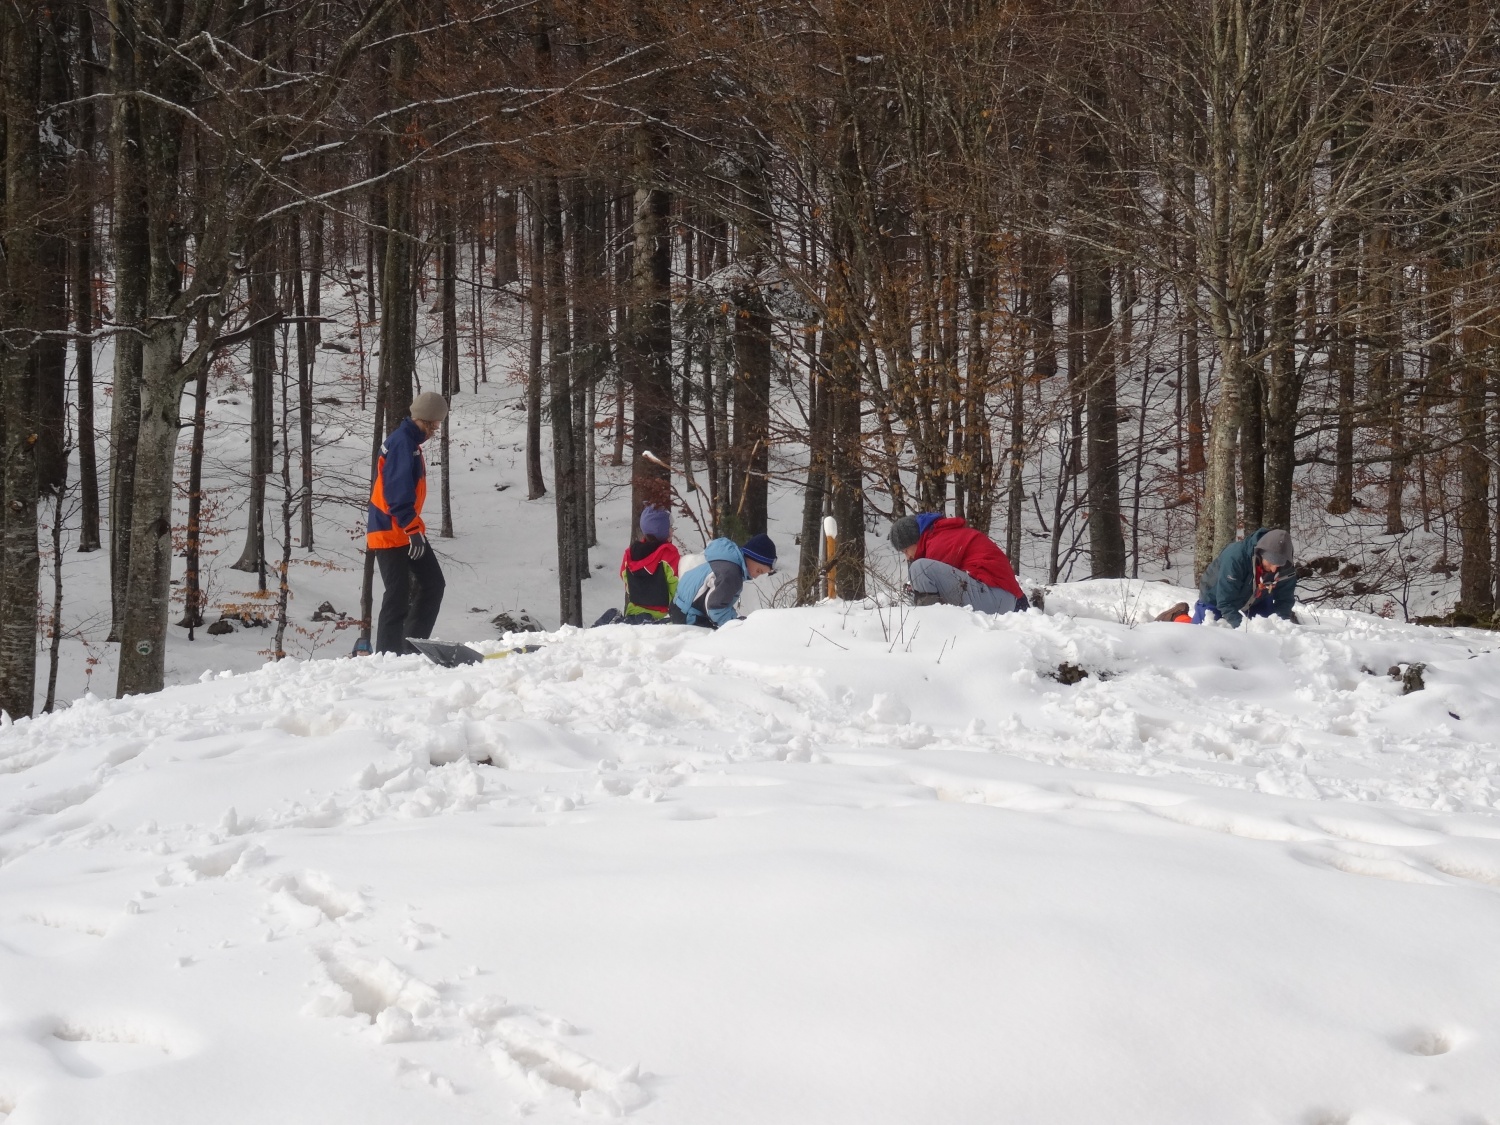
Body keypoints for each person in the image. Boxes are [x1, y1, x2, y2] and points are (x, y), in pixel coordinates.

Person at [368, 392, 448, 654]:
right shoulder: (403, 443)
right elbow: (396, 491)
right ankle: (387, 656)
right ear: (424, 420)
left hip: (405, 528)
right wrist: (412, 528)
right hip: (391, 530)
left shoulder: (410, 442)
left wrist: (413, 529)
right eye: (435, 424)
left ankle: (411, 648)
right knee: (397, 596)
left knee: (433, 583)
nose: (436, 429)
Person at [888, 513, 1028, 613]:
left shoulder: (938, 543)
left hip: (995, 597)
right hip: (1002, 597)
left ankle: (929, 622)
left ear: (915, 540)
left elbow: (942, 590)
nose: (907, 557)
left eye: (906, 550)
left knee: (919, 569)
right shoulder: (941, 536)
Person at [594, 505, 681, 626]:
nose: (672, 530)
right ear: (661, 530)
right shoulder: (669, 554)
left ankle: (618, 621)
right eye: (670, 527)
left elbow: (625, 579)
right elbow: (676, 584)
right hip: (662, 613)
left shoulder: (630, 554)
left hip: (634, 610)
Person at [1193, 527, 1297, 627]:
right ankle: (1180, 616)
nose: (1274, 569)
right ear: (1261, 554)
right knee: (1205, 632)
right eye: (1270, 563)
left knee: (1268, 628)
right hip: (1214, 598)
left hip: (1256, 600)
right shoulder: (1236, 557)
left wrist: (1282, 625)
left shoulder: (1286, 566)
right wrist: (1244, 629)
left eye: (1278, 565)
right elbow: (1225, 602)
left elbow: (1285, 600)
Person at [670, 534, 777, 628]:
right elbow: (715, 608)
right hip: (689, 616)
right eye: (759, 570)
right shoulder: (731, 573)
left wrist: (734, 618)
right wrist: (735, 624)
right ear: (751, 557)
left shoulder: (726, 560)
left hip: (679, 607)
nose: (756, 576)